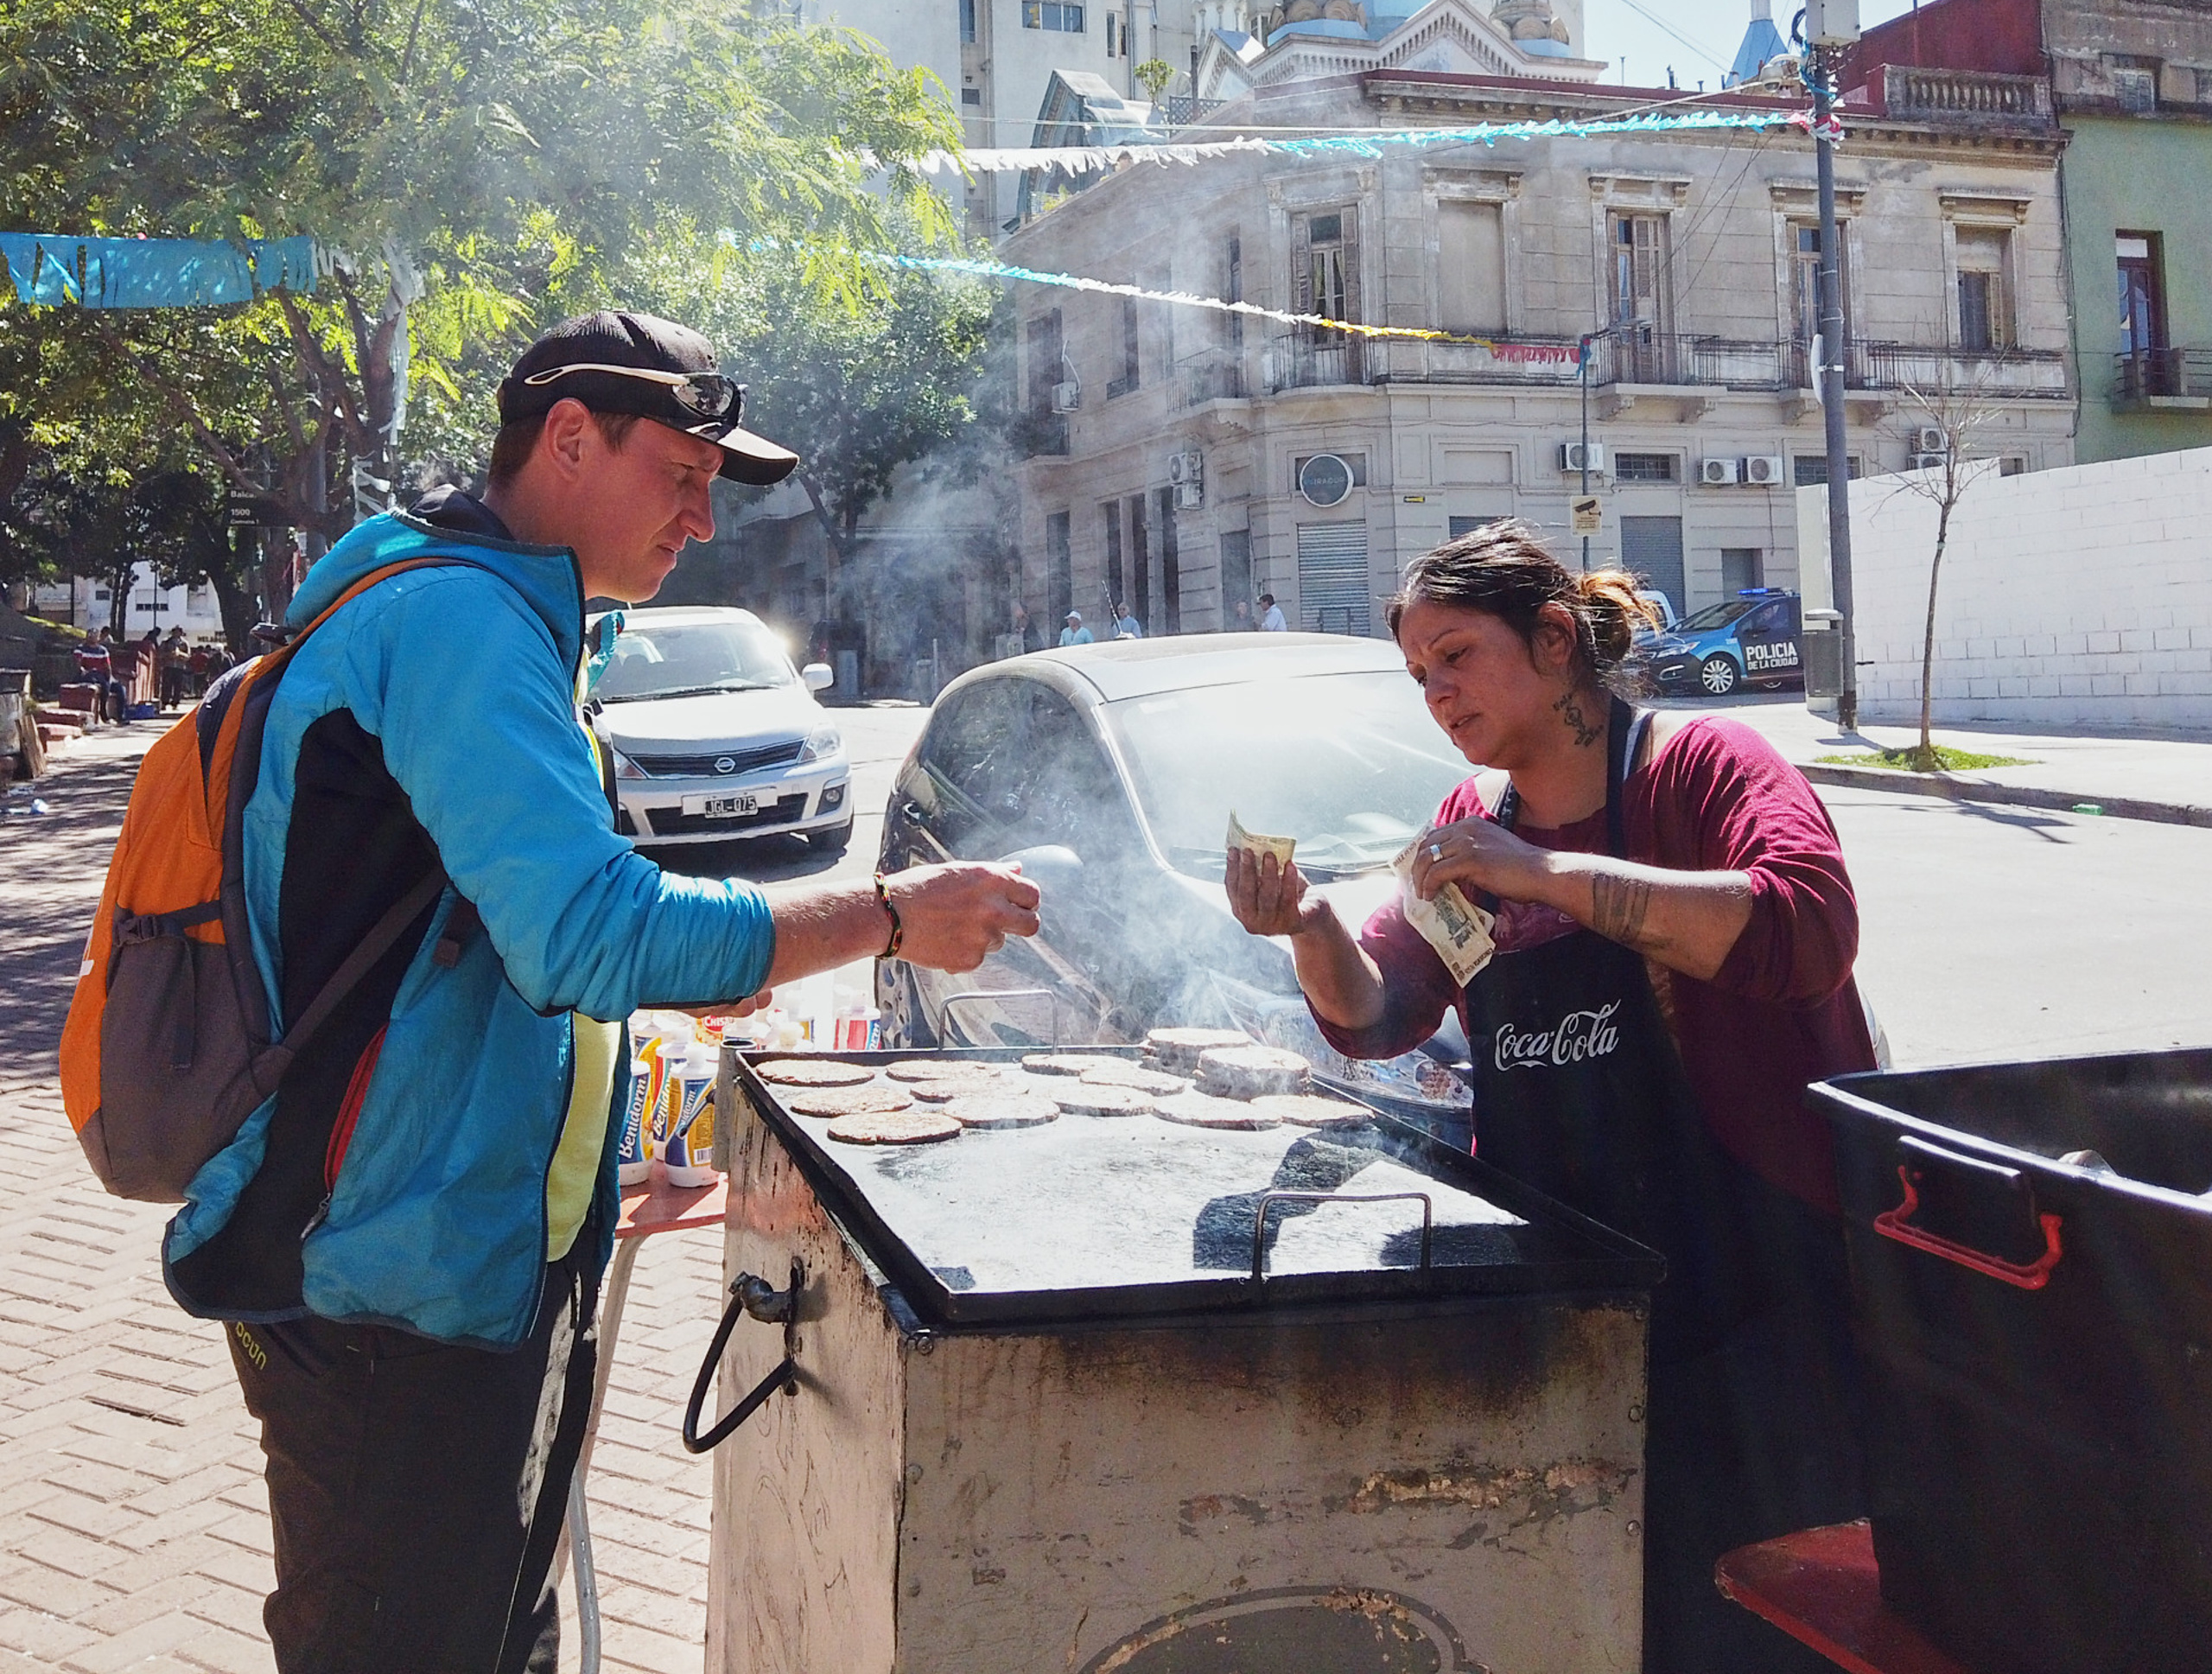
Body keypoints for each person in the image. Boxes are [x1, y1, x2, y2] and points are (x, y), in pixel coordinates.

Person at [181, 310, 1039, 1674]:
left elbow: (466, 954)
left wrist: (596, 1153)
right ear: (570, 439)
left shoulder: (501, 609)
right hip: (390, 1292)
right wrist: (885, 917)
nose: (701, 522)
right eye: (683, 476)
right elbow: (586, 933)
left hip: (461, 1261)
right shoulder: (457, 620)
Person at [1225, 522, 1872, 1674]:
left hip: (1759, 1309)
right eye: (1419, 674)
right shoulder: (1469, 827)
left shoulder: (1701, 769)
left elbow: (1806, 928)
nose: (1436, 693)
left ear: (1557, 638)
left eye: (1457, 656)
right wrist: (1309, 926)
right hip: (1571, 1307)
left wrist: (1549, 878)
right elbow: (1378, 1012)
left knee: (1750, 1625)